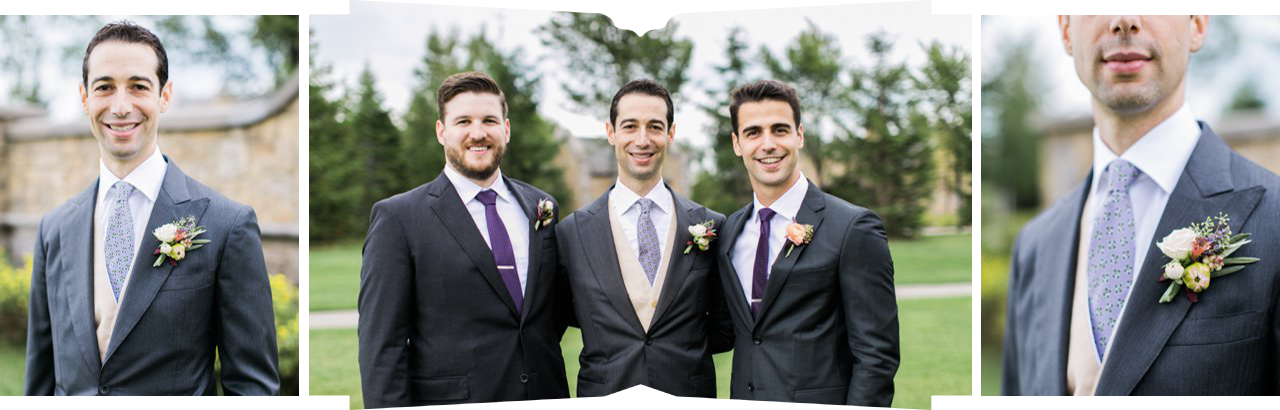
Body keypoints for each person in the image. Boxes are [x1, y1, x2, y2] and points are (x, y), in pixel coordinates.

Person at [1002, 1, 1280, 408]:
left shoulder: (1274, 219)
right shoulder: (1033, 246)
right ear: (1065, 29)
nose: (1124, 20)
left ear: (1198, 22)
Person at [24, 21, 279, 409]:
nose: (120, 106)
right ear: (84, 97)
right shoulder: (54, 229)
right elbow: (41, 385)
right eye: (104, 87)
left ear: (164, 96)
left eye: (138, 86)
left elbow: (254, 392)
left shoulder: (227, 225)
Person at [357, 71, 571, 409]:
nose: (478, 133)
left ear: (506, 129)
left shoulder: (541, 207)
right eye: (463, 122)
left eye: (489, 120)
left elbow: (550, 313)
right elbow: (381, 347)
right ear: (441, 131)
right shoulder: (398, 219)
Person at [715, 80, 899, 408]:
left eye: (780, 130)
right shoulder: (730, 233)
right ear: (737, 143)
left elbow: (877, 357)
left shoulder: (853, 228)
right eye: (753, 132)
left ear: (799, 135)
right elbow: (729, 331)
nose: (768, 144)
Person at [556, 79, 733, 409]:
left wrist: (678, 351)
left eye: (654, 126)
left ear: (670, 133)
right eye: (629, 126)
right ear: (611, 132)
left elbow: (724, 328)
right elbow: (564, 318)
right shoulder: (572, 233)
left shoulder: (711, 226)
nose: (642, 140)